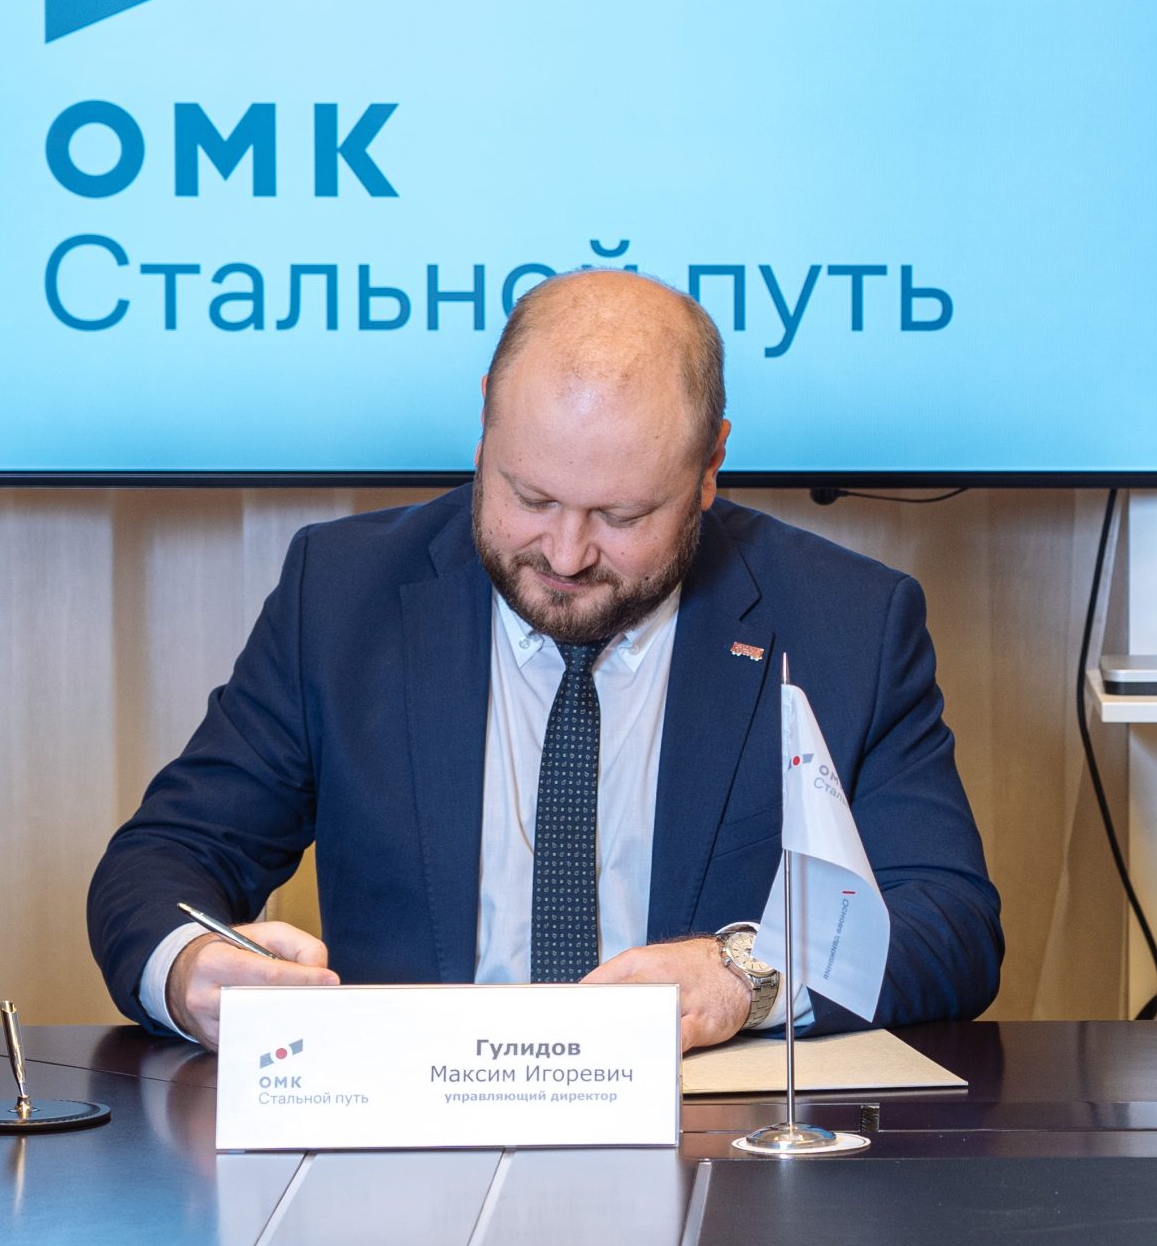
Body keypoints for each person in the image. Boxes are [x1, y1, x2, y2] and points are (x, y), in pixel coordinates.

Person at [88, 271, 1001, 1052]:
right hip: (407, 1149)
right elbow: (165, 857)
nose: (565, 554)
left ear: (710, 465)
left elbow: (949, 920)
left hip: (713, 1152)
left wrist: (744, 972)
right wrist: (193, 971)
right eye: (529, 497)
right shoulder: (340, 595)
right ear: (485, 423)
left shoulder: (847, 620)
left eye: (622, 516)